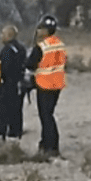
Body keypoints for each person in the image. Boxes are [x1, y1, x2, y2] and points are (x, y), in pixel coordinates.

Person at [24, 14, 66, 158]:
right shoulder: (60, 44)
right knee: (49, 114)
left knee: (46, 116)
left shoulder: (41, 47)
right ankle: (46, 143)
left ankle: (51, 146)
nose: (38, 31)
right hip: (58, 84)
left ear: (45, 30)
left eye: (41, 28)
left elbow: (30, 64)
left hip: (45, 84)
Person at [0, 24, 26, 140]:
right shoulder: (21, 48)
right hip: (19, 86)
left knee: (0, 112)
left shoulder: (7, 50)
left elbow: (4, 69)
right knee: (16, 113)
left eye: (3, 34)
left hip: (7, 86)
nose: (1, 36)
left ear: (9, 35)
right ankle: (15, 136)